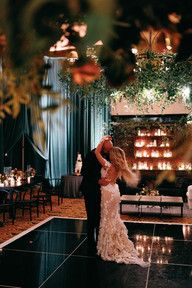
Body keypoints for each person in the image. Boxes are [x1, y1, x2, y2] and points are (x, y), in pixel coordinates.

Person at [95, 136, 149, 267]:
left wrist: (102, 141)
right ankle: (115, 242)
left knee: (107, 218)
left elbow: (96, 152)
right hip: (114, 191)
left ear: (113, 156)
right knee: (113, 218)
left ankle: (108, 246)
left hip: (108, 191)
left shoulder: (108, 165)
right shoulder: (118, 167)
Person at [80, 136, 113, 255]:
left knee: (100, 217)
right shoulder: (91, 155)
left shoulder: (108, 156)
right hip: (90, 189)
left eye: (110, 149)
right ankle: (90, 243)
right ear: (102, 145)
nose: (109, 151)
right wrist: (98, 181)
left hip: (103, 191)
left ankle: (100, 241)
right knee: (91, 217)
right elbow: (84, 173)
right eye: (108, 148)